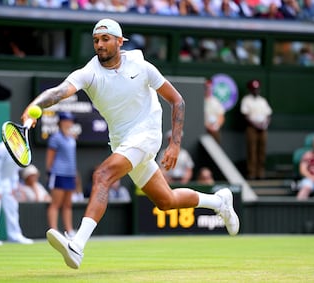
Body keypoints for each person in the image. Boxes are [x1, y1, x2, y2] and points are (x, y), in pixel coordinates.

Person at [21, 18, 239, 269]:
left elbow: (177, 100)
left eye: (105, 39)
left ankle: (77, 245)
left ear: (119, 41)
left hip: (147, 135)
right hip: (123, 142)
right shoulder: (89, 72)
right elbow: (59, 92)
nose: (99, 45)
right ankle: (219, 202)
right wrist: (34, 105)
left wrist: (175, 144)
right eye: (95, 40)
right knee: (166, 201)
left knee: (102, 174)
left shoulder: (142, 65)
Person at [0, 142, 34, 245]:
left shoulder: (21, 149)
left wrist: (13, 186)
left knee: (12, 205)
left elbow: (14, 169)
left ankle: (14, 235)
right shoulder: (0, 148)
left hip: (6, 180)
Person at [46, 112, 77, 239]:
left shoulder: (72, 138)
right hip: (58, 174)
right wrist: (49, 171)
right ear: (62, 122)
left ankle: (69, 230)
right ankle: (54, 231)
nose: (70, 123)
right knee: (55, 204)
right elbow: (50, 157)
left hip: (70, 174)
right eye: (68, 120)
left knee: (68, 204)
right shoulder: (55, 138)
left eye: (71, 121)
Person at [240, 79, 272, 180]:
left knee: (262, 150)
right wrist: (255, 124)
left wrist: (265, 123)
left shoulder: (263, 100)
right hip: (251, 128)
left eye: (257, 89)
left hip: (263, 128)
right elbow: (245, 115)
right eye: (254, 89)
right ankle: (252, 173)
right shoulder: (246, 100)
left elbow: (268, 114)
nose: (256, 91)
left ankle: (260, 172)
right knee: (252, 150)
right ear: (250, 89)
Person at [204, 79, 225, 144]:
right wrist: (207, 126)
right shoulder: (200, 100)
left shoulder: (216, 101)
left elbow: (221, 116)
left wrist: (216, 126)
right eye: (207, 88)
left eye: (210, 88)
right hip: (203, 130)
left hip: (215, 130)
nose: (209, 90)